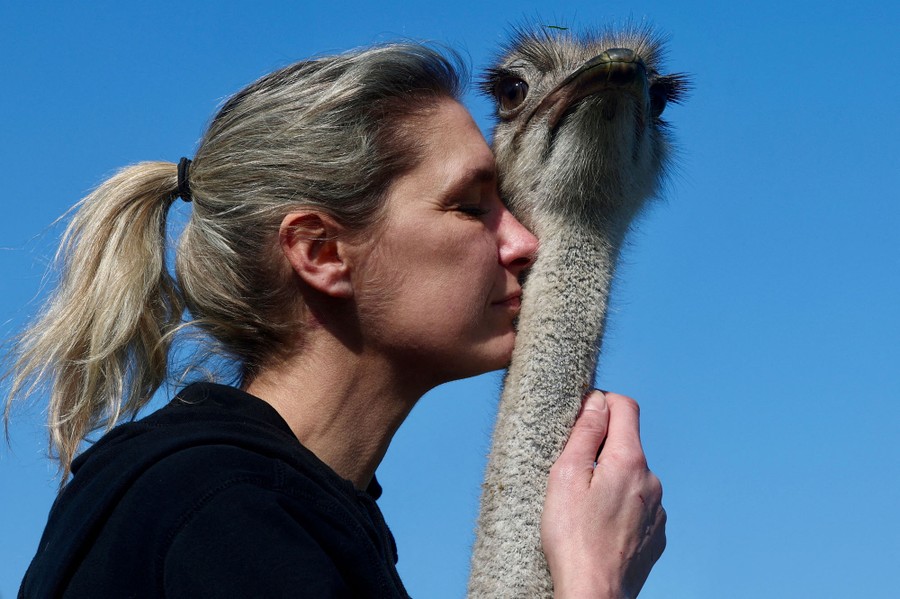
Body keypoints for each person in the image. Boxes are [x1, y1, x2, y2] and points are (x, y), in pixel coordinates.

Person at [4, 43, 665, 598]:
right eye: (469, 208)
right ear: (322, 253)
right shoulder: (222, 517)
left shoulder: (290, 519)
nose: (521, 241)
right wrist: (590, 580)